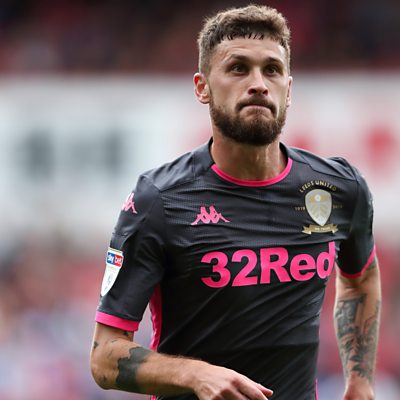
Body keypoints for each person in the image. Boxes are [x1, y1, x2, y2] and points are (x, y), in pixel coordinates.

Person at [90, 4, 381, 400]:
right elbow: (105, 357)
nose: (258, 83)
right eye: (238, 68)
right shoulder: (159, 200)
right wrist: (196, 375)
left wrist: (360, 382)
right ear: (202, 87)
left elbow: (360, 278)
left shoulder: (338, 188)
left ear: (288, 89)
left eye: (271, 70)